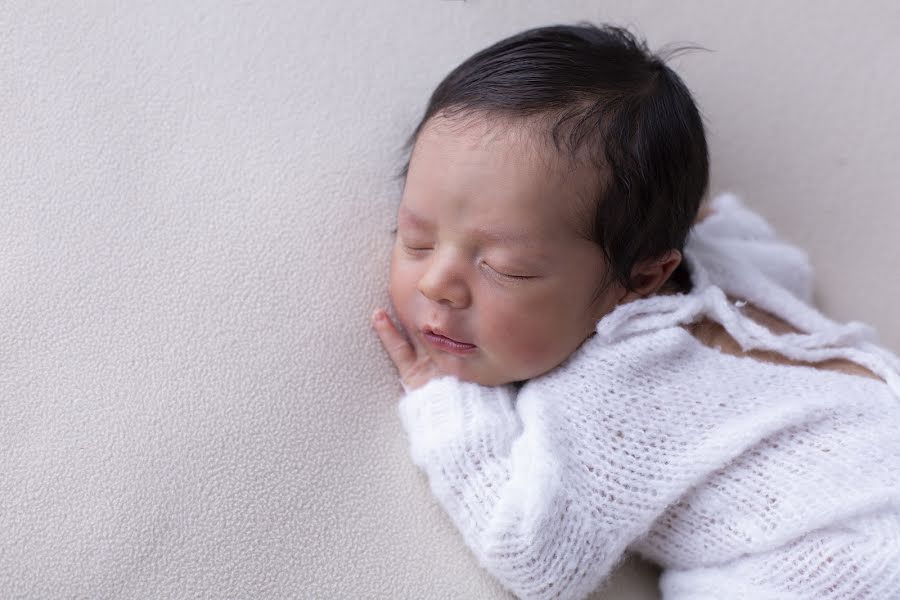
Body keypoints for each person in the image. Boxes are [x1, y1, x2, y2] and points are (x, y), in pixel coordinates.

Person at [370, 22, 900, 600]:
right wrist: (703, 218)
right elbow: (781, 263)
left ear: (644, 277)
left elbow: (534, 559)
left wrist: (444, 401)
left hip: (850, 564)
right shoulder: (728, 266)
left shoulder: (610, 396)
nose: (439, 283)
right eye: (415, 238)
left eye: (507, 267)